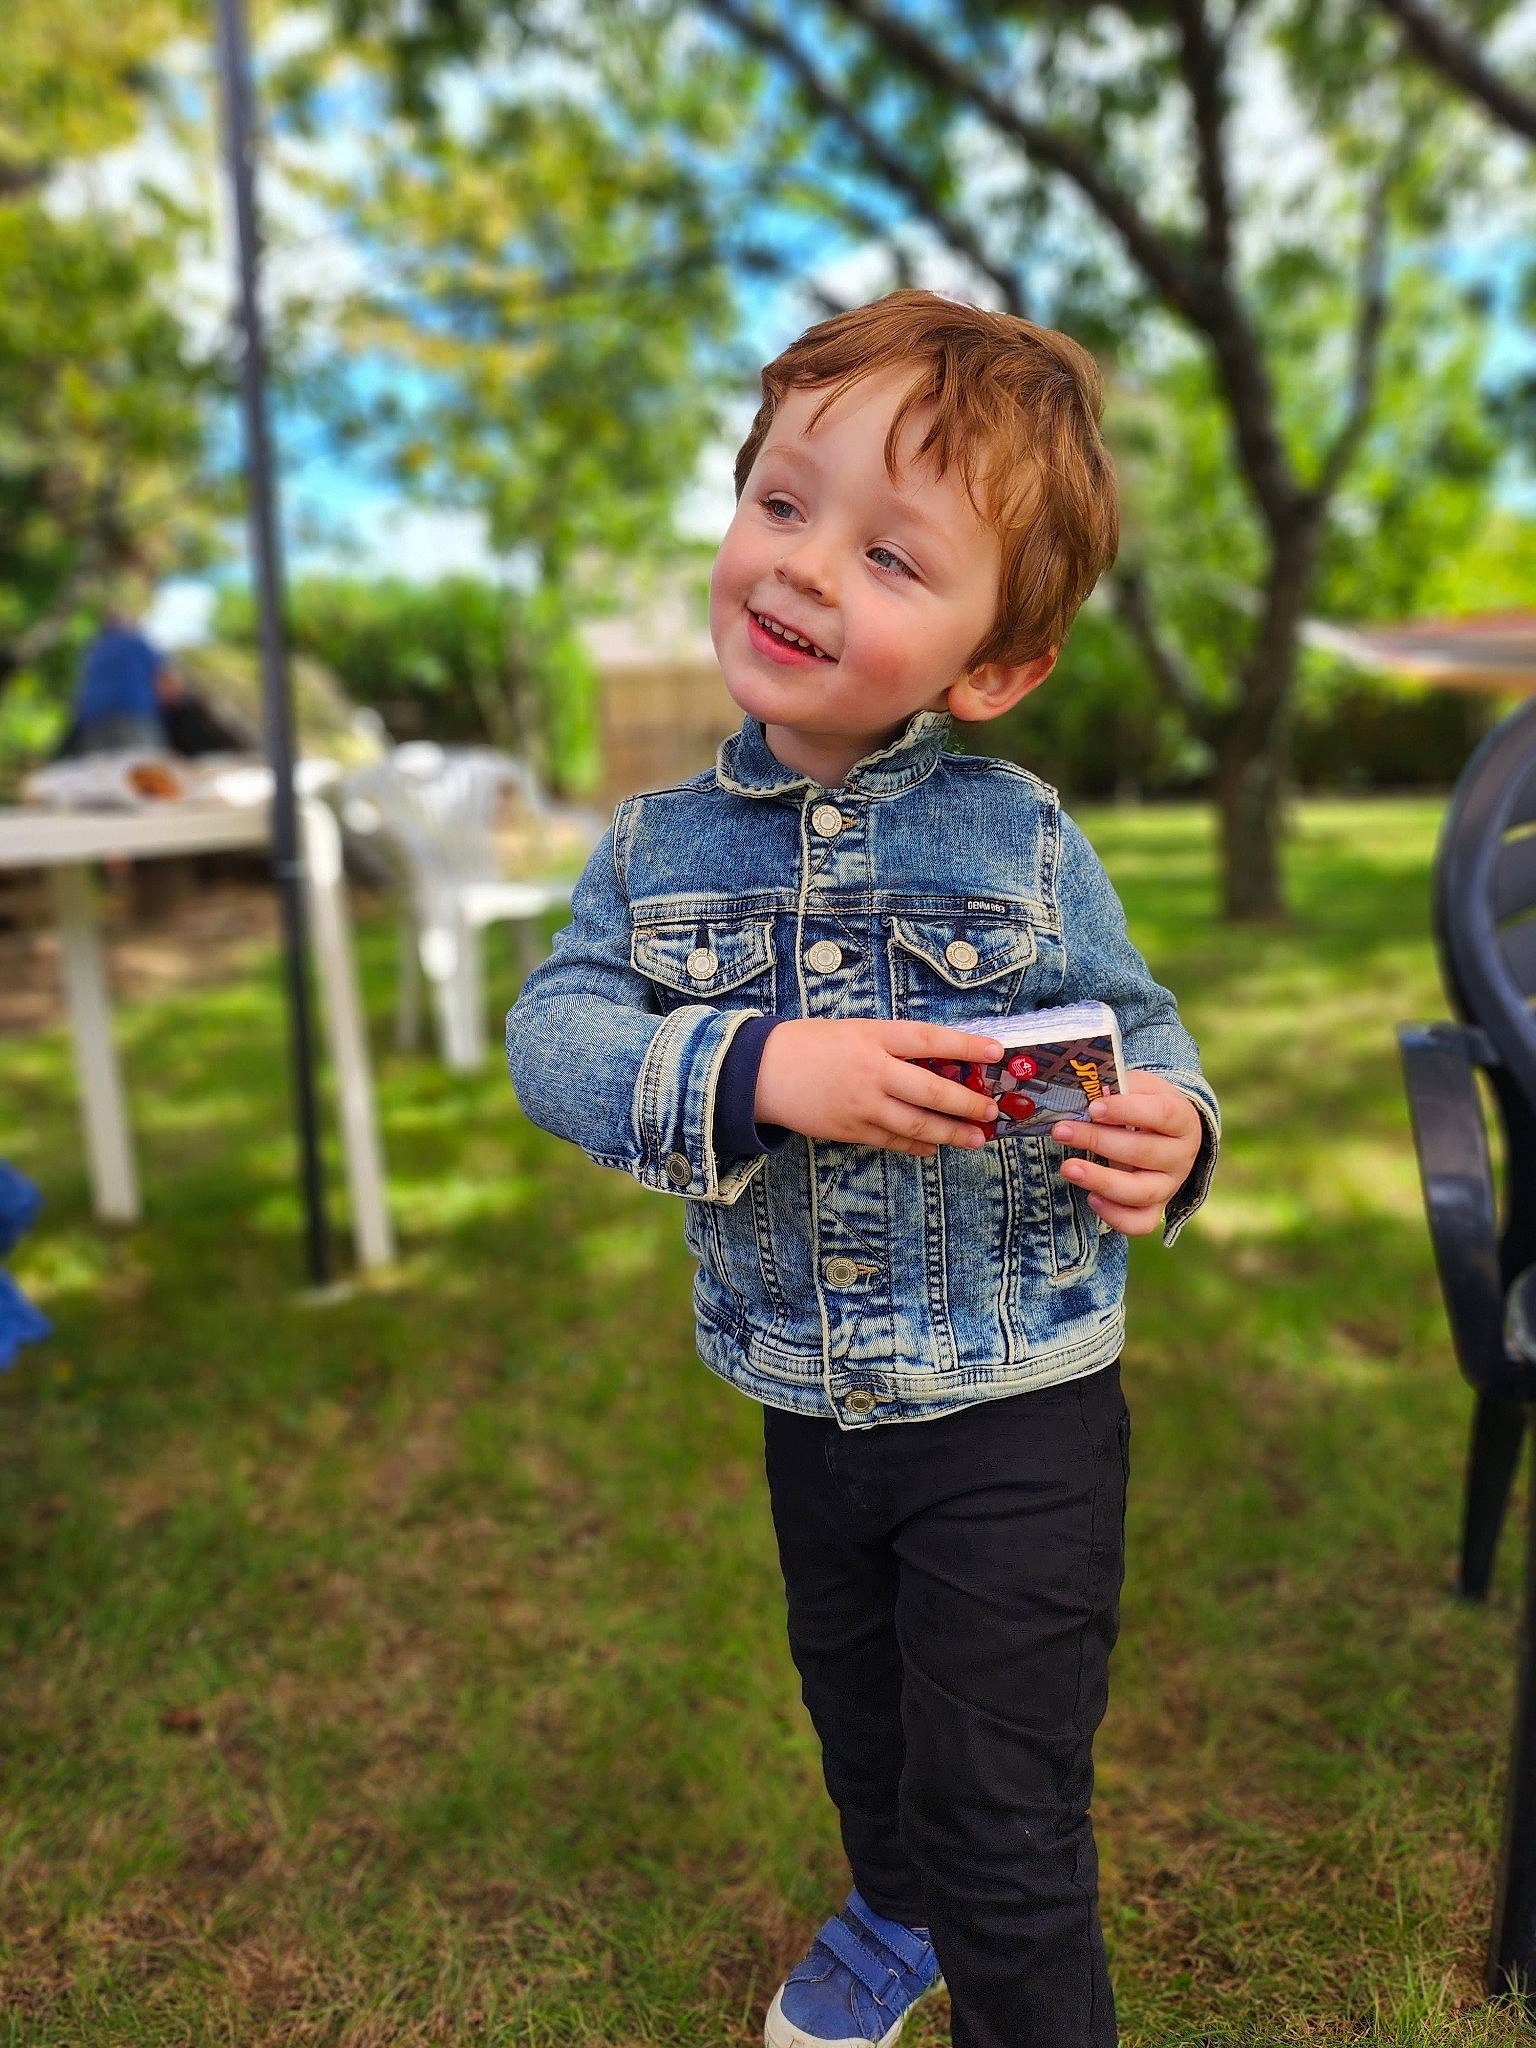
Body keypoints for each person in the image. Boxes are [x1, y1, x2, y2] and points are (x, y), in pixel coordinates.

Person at [505, 291, 1220, 2048]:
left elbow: (1146, 1034)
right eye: (782, 503)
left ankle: (978, 1931)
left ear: (995, 662)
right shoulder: (655, 848)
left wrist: (1175, 1131)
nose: (808, 568)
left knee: (1008, 1817)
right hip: (803, 1401)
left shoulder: (1023, 839)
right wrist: (758, 1062)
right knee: (867, 1728)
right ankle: (890, 1903)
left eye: (894, 556)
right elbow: (554, 1030)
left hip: (1019, 1400)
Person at [68, 612, 173, 753]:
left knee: (101, 769)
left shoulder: (93, 647)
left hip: (93, 721)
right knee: (143, 767)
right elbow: (167, 685)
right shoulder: (138, 643)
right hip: (135, 717)